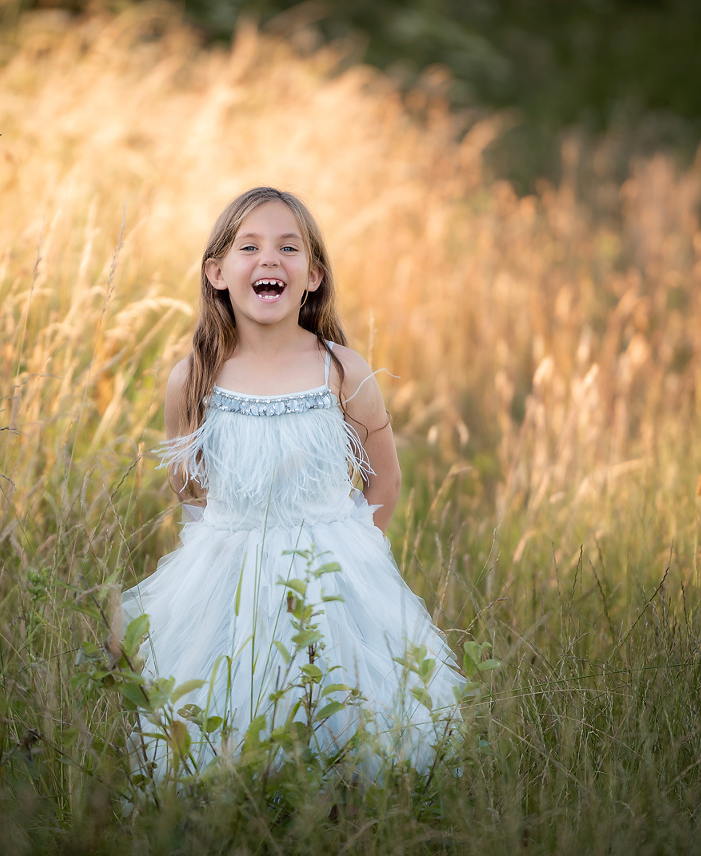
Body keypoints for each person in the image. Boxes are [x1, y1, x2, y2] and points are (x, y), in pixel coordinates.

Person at [122, 187, 463, 778]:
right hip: (228, 575)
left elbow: (384, 477)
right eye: (248, 246)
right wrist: (235, 540)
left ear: (313, 276)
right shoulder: (194, 378)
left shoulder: (340, 369)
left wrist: (359, 550)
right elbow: (190, 489)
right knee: (224, 718)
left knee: (352, 722)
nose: (269, 260)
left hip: (334, 576)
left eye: (288, 247)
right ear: (217, 272)